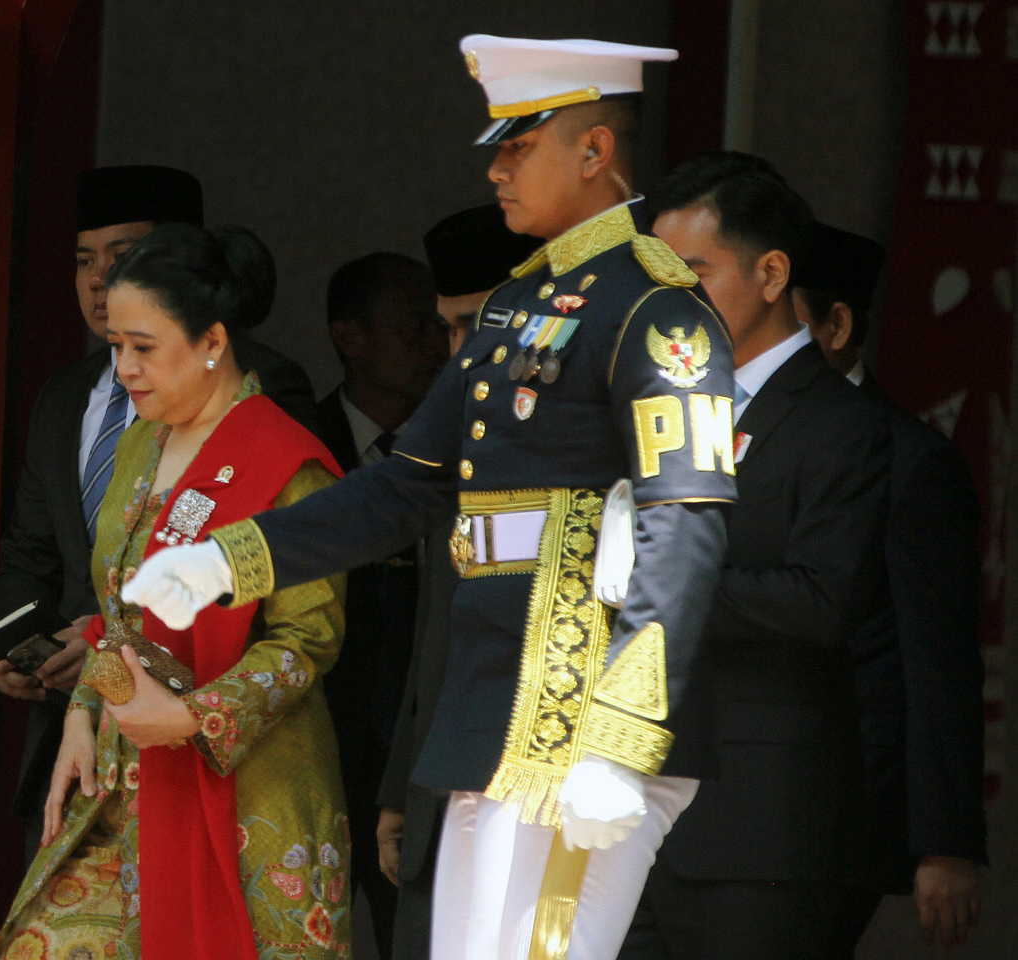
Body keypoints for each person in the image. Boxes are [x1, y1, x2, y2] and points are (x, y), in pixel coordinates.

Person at [126, 36, 738, 960]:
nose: (495, 167)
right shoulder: (514, 306)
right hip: (490, 698)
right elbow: (402, 488)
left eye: (517, 145)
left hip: (580, 711)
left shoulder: (657, 309)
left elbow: (681, 521)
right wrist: (227, 561)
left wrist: (622, 736)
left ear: (594, 151)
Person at [0, 223, 351, 960]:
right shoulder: (141, 445)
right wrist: (86, 709)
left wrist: (191, 717)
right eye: (116, 347)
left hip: (251, 792)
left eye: (143, 348)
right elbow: (118, 616)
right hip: (126, 775)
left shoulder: (285, 462)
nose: (124, 370)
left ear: (211, 340)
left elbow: (307, 640)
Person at [618, 152, 891, 960]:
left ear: (771, 273)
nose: (669, 300)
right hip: (621, 806)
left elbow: (821, 601)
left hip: (758, 825)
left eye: (692, 271)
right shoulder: (647, 404)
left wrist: (655, 581)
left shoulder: (840, 425)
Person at [794, 222, 987, 954]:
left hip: (840, 811)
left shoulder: (908, 461)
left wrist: (943, 843)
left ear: (835, 326)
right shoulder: (717, 442)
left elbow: (937, 659)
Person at [376, 205, 542, 960]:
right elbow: (432, 635)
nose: (460, 349)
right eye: (447, 329)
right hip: (442, 790)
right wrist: (396, 788)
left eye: (480, 322)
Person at [313, 250, 447, 959]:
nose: (433, 347)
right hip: (320, 745)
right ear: (349, 337)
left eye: (440, 327)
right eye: (412, 328)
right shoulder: (298, 446)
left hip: (425, 752)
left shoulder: (467, 445)